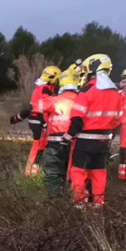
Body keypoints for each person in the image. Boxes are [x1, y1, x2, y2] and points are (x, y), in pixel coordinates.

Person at [58, 53, 124, 207]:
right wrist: (109, 134)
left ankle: (79, 204)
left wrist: (67, 137)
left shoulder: (88, 89)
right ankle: (98, 204)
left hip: (85, 140)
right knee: (99, 173)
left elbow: (77, 118)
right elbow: (118, 119)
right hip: (103, 141)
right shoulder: (115, 92)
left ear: (94, 68)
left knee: (78, 172)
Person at [10, 65, 61, 176]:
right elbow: (43, 108)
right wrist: (45, 123)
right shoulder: (45, 89)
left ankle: (34, 171)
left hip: (37, 119)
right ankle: (30, 173)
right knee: (38, 146)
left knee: (40, 146)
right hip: (38, 120)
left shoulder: (42, 87)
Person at [40, 69, 81, 198]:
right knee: (74, 173)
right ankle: (73, 199)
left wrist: (46, 95)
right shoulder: (82, 99)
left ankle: (55, 202)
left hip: (55, 142)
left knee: (53, 172)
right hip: (77, 142)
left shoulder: (53, 100)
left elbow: (39, 108)